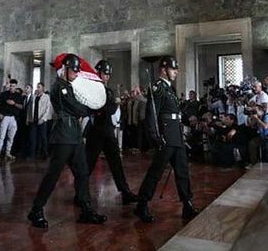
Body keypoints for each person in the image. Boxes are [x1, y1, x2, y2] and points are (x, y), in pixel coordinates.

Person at [28, 54, 107, 228]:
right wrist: (90, 109)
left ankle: (86, 209)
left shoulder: (69, 86)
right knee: (53, 175)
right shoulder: (59, 87)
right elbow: (75, 107)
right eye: (73, 70)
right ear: (64, 69)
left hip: (74, 135)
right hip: (63, 136)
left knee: (82, 172)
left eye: (78, 70)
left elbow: (78, 107)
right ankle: (36, 210)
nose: (76, 73)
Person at [134, 56, 199, 223]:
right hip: (165, 137)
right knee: (156, 172)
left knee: (182, 172)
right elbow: (152, 114)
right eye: (173, 69)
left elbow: (175, 113)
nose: (176, 72)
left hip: (176, 136)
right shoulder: (158, 87)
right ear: (163, 69)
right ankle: (141, 204)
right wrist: (155, 136)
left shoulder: (170, 89)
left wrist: (188, 119)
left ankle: (187, 204)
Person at [85, 60, 139, 204]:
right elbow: (98, 108)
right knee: (88, 164)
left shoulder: (107, 90)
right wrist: (113, 104)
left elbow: (108, 109)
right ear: (98, 73)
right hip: (96, 130)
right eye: (104, 73)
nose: (107, 77)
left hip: (107, 129)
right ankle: (80, 194)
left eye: (108, 74)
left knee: (116, 163)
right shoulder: (93, 89)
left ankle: (125, 192)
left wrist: (113, 104)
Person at [0, 79, 23, 162]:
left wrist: (14, 103)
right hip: (5, 117)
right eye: (10, 86)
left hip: (14, 118)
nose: (11, 87)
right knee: (1, 136)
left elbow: (21, 107)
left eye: (13, 86)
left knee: (11, 136)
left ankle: (8, 152)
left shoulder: (18, 95)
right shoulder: (3, 94)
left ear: (16, 86)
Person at [26, 82, 52, 160]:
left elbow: (48, 109)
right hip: (33, 120)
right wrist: (28, 119)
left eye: (39, 87)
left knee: (43, 138)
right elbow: (29, 109)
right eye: (37, 87)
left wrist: (43, 119)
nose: (38, 88)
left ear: (43, 88)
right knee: (32, 138)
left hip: (42, 120)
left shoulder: (46, 97)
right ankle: (32, 155)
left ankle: (45, 154)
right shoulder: (34, 97)